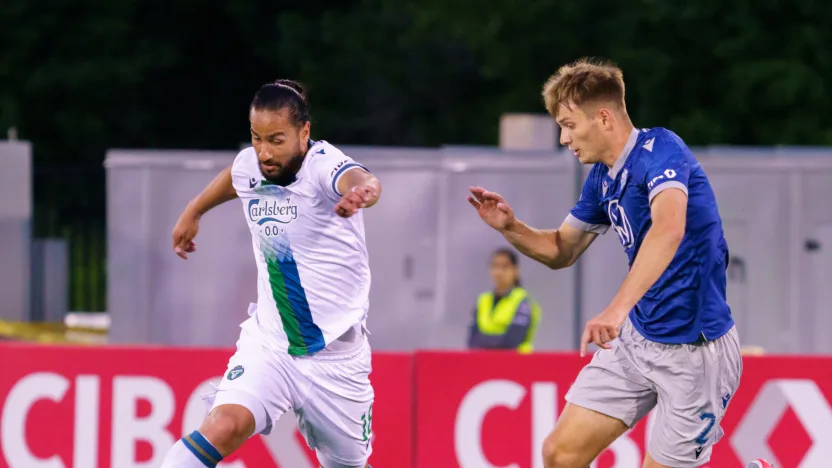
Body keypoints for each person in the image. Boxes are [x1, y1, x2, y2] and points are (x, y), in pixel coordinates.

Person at [467, 58, 741, 468]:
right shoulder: (602, 179)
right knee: (559, 454)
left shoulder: (661, 148)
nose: (563, 138)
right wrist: (510, 227)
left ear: (603, 117)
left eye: (569, 125)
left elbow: (669, 230)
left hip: (696, 353)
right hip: (637, 342)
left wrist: (615, 310)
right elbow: (561, 250)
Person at [162, 79, 381, 468]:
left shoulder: (322, 166)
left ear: (304, 132)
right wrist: (194, 210)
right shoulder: (252, 164)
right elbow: (237, 175)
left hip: (337, 362)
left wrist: (364, 190)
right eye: (256, 137)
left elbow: (359, 178)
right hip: (271, 346)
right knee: (224, 426)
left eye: (276, 140)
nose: (264, 152)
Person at [467, 247, 541, 353]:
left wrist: (484, 341)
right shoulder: (483, 300)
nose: (499, 272)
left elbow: (512, 341)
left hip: (516, 364)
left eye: (505, 267)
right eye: (495, 266)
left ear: (515, 270)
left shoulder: (523, 301)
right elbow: (473, 340)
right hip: (484, 364)